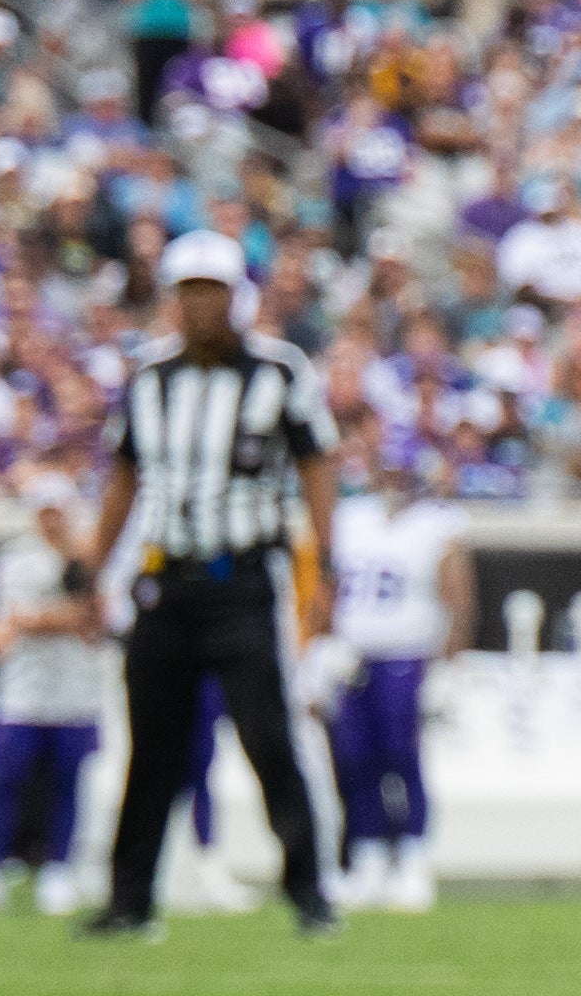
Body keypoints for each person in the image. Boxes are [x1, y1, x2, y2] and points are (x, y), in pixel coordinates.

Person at [80, 230, 339, 940]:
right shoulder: (148, 378)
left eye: (211, 291)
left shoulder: (279, 371)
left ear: (236, 297)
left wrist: (325, 565)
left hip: (243, 577)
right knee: (150, 746)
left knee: (268, 738)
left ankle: (311, 890)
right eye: (186, 291)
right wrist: (94, 570)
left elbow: (319, 463)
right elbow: (123, 478)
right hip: (165, 580)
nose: (198, 306)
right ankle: (129, 898)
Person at [0, 471, 113, 914]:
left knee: (67, 782)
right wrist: (59, 619)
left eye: (58, 511)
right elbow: (6, 626)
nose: (52, 521)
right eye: (44, 512)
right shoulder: (14, 559)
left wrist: (38, 619)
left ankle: (59, 870)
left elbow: (96, 619)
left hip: (76, 692)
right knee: (3, 780)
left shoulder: (92, 556)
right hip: (22, 692)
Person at [322, 451, 471, 912]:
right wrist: (322, 644)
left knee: (402, 757)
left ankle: (412, 857)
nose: (394, 480)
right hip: (355, 657)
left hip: (407, 657)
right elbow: (328, 585)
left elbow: (459, 599)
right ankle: (366, 857)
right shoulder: (352, 517)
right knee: (353, 759)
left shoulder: (438, 524)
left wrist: (448, 666)